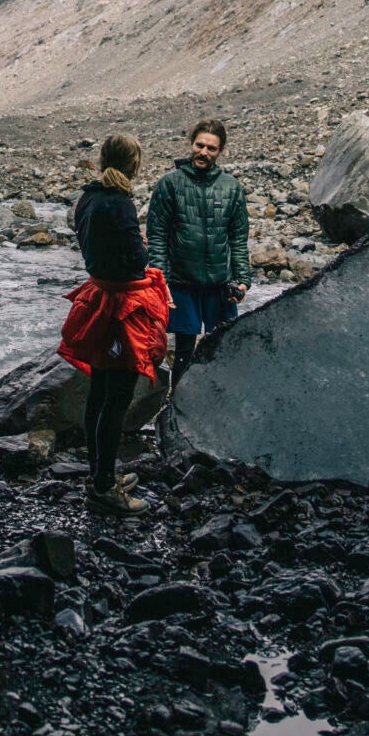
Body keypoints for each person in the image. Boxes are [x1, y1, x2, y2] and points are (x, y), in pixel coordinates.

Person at [57, 133, 170, 515]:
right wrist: (142, 246)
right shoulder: (120, 202)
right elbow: (135, 261)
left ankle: (98, 473)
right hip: (120, 308)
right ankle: (105, 487)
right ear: (134, 164)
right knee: (117, 399)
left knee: (99, 394)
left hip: (98, 300)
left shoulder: (88, 197)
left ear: (101, 160)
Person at [145, 118, 250, 365]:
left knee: (222, 351)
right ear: (191, 143)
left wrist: (243, 279)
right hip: (182, 284)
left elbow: (237, 238)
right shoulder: (169, 184)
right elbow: (157, 235)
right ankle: (177, 400)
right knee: (183, 353)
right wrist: (159, 279)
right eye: (199, 145)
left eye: (210, 148)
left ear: (220, 151)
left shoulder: (231, 188)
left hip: (220, 285)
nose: (203, 152)